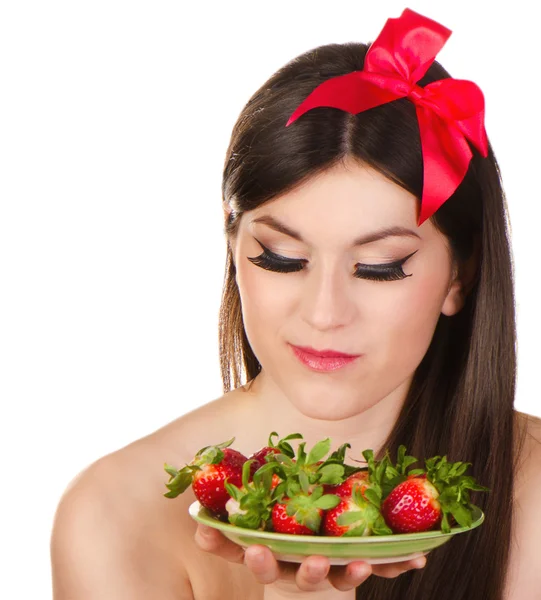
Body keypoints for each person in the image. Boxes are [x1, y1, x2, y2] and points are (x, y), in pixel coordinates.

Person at [50, 8, 541, 600]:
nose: (325, 313)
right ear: (233, 249)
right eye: (282, 258)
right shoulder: (114, 517)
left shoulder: (532, 494)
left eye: (378, 268)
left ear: (460, 278)